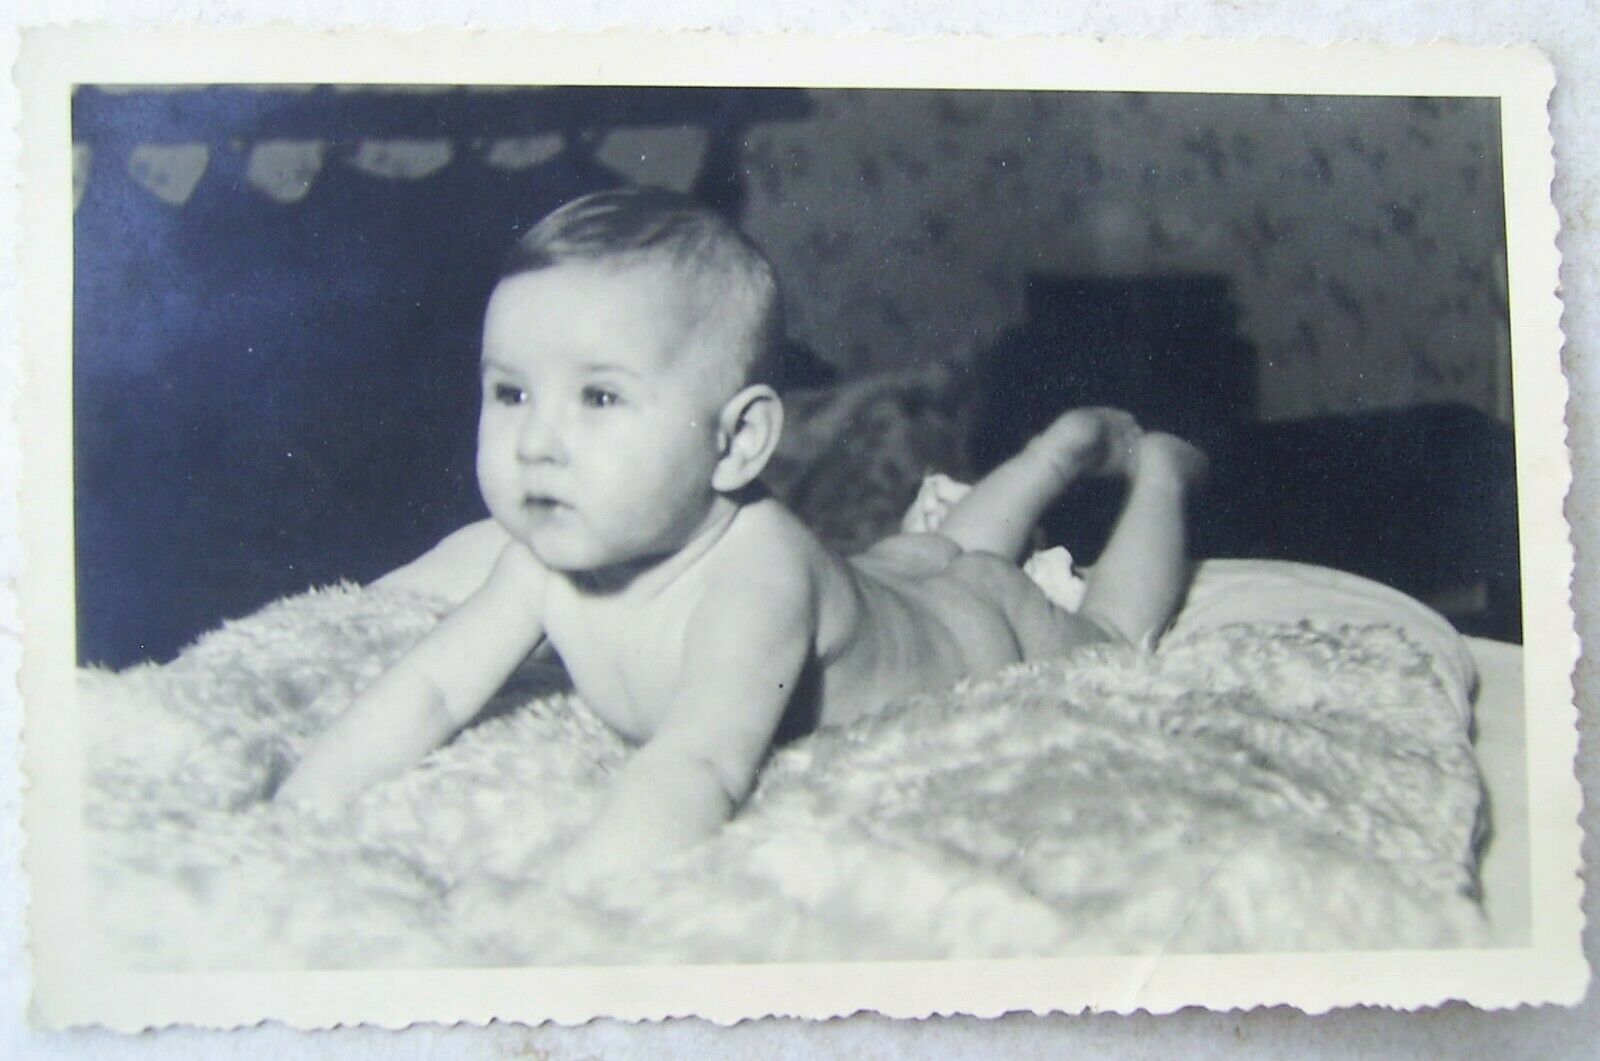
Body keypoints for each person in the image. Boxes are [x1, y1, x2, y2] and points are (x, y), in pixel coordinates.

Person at [274, 187, 1209, 884]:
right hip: (885, 577)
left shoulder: (753, 576)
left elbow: (698, 762)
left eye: (599, 396)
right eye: (511, 391)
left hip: (976, 635)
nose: (536, 441)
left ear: (738, 441)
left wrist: (560, 909)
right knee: (925, 554)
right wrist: (295, 810)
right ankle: (1048, 458)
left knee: (1084, 632)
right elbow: (431, 689)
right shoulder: (544, 558)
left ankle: (1160, 470)